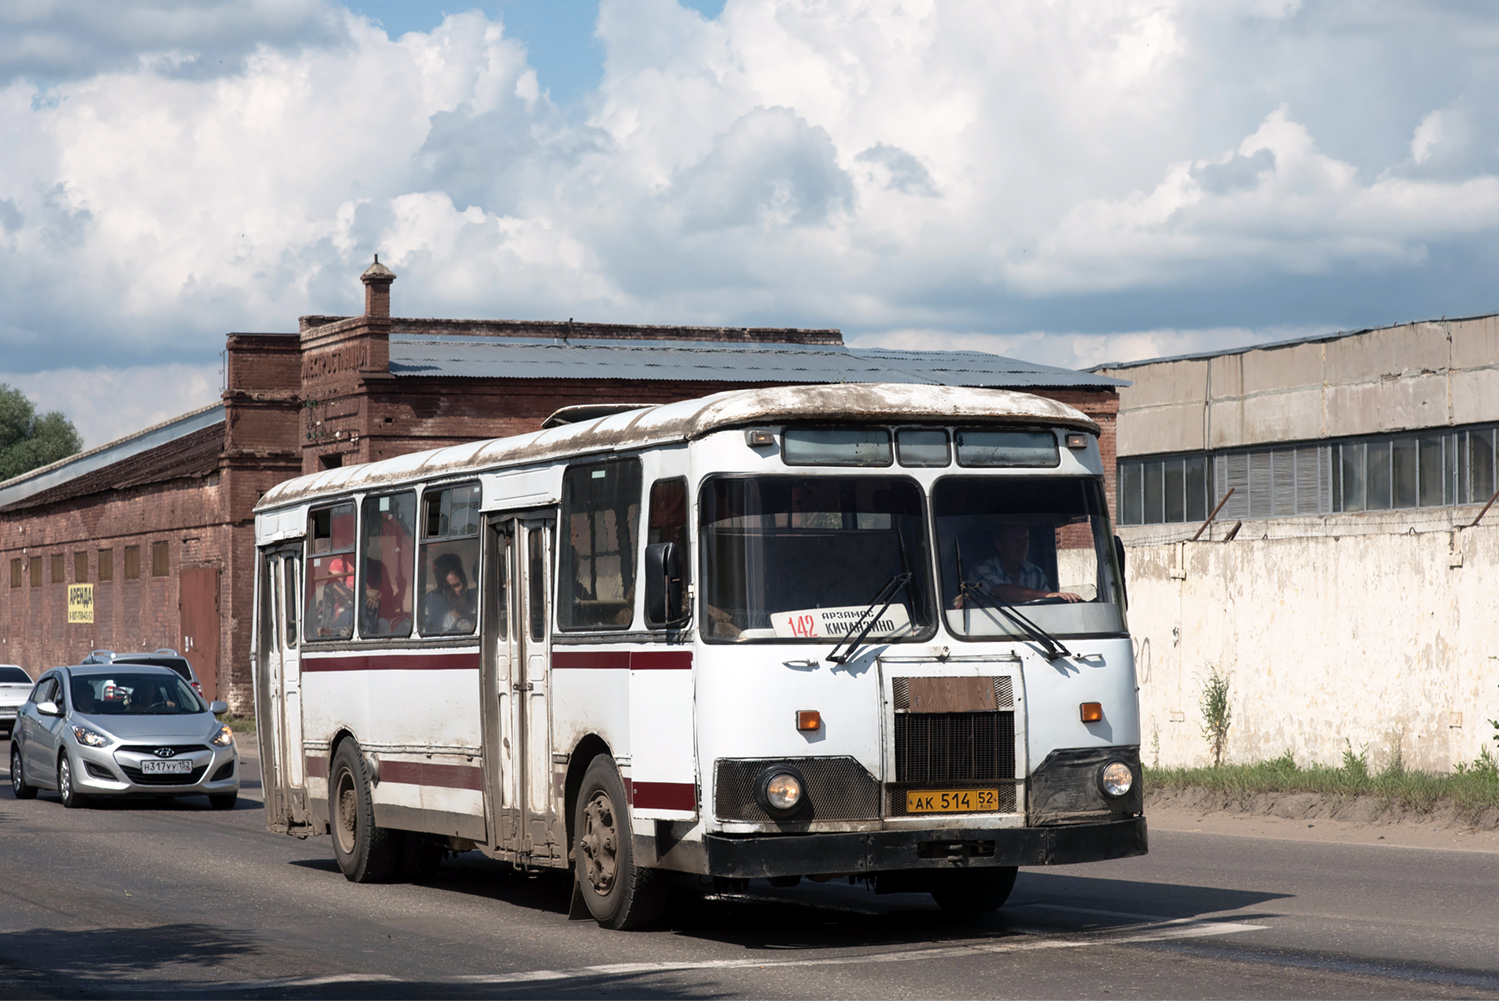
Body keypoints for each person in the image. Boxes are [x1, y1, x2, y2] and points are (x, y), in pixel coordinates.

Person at [959, 523, 1082, 606]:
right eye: (1015, 540)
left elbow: (1047, 606)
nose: (1022, 545)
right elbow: (1003, 592)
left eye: (1025, 539)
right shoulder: (981, 569)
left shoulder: (1036, 573)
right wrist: (1048, 595)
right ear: (1000, 544)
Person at [425, 553, 476, 634]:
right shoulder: (432, 604)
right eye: (447, 588)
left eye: (456, 585)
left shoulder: (478, 599)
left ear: (464, 583)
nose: (452, 592)